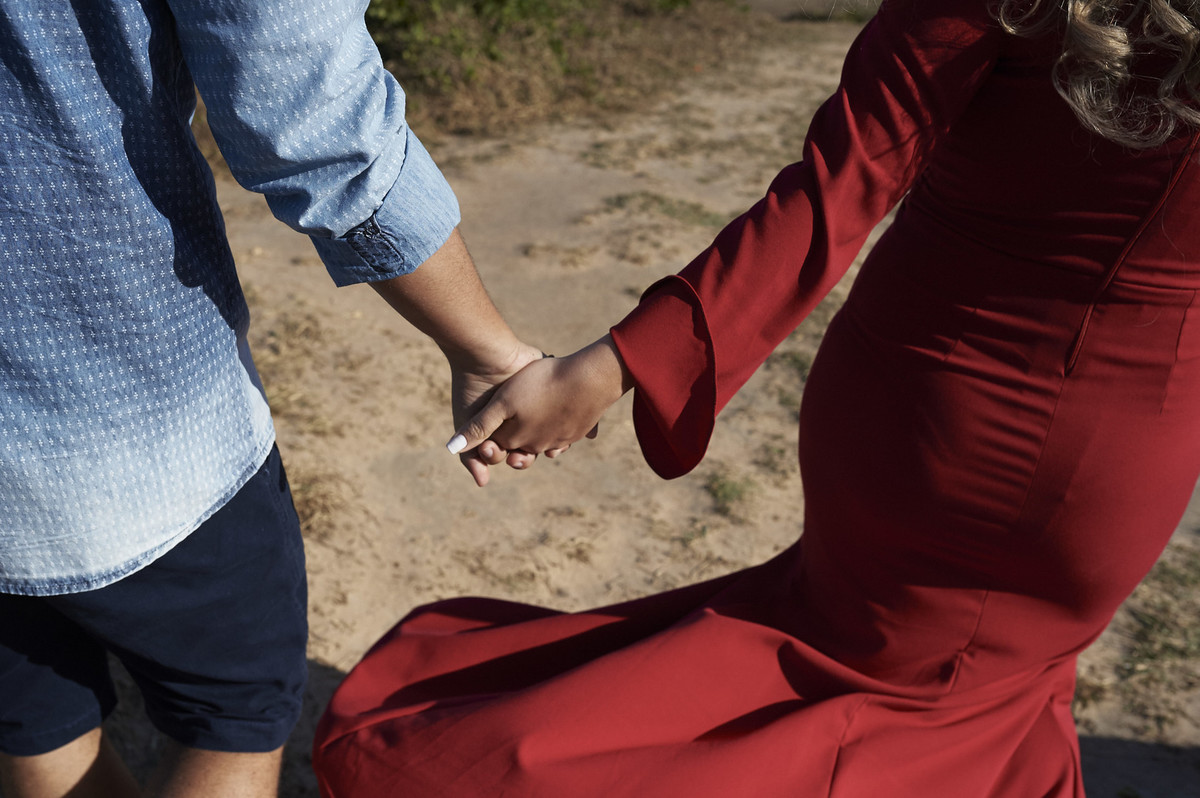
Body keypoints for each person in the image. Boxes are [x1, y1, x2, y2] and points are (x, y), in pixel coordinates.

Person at [312, 0, 1200, 794]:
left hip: (943, 404)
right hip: (1130, 452)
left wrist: (607, 369)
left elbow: (838, 184)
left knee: (864, 694)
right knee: (976, 706)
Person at [0, 1, 538, 796]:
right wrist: (487, 350)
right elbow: (302, 100)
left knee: (35, 725)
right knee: (232, 720)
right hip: (131, 421)